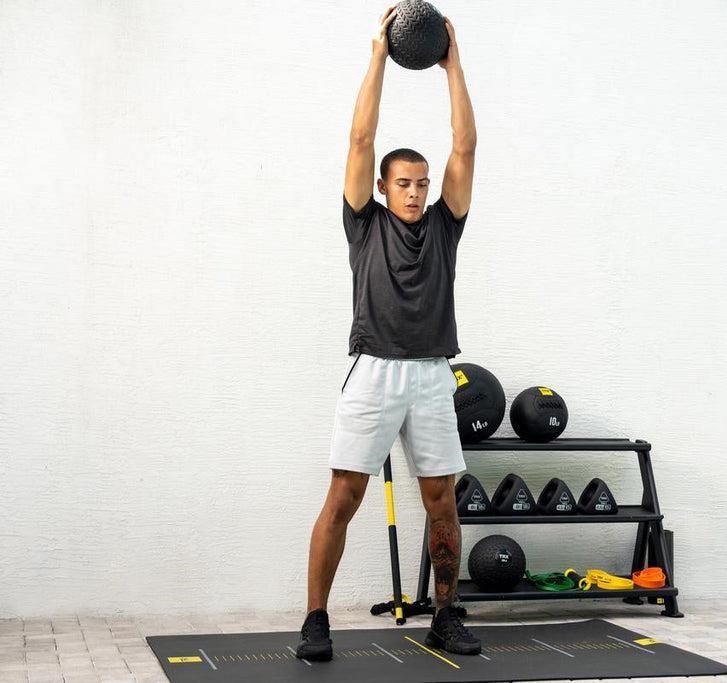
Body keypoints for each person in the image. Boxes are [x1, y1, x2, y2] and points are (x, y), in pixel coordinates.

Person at [296, 5, 480, 662]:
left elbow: (465, 146)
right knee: (343, 495)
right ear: (383, 186)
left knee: (442, 503)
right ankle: (315, 619)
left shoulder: (443, 226)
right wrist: (378, 54)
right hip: (373, 368)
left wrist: (451, 64)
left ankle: (446, 612)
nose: (414, 193)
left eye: (421, 185)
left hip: (431, 373)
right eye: (403, 183)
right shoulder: (364, 224)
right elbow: (358, 139)